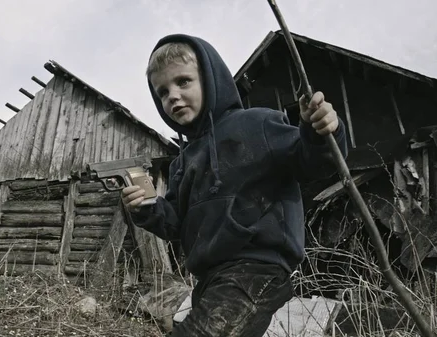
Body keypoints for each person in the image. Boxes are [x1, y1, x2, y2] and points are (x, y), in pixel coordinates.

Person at [121, 34, 348, 336]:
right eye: (162, 91)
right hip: (210, 279)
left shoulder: (258, 124)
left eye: (184, 82)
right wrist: (148, 208)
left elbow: (314, 163)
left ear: (211, 80)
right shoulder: (182, 162)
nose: (172, 96)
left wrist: (319, 132)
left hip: (257, 267)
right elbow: (177, 225)